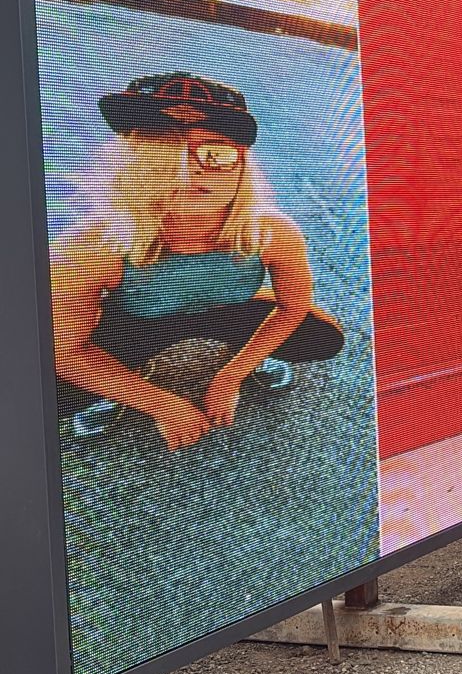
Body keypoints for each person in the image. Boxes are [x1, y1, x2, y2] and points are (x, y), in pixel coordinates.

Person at [51, 71, 344, 451]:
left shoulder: (274, 232)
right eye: (159, 151)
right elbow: (67, 352)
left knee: (320, 337)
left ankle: (245, 357)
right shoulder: (90, 246)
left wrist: (230, 377)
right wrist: (161, 404)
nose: (188, 170)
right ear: (127, 165)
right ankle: (121, 382)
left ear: (242, 166)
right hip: (136, 323)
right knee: (55, 391)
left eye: (216, 153)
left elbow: (292, 308)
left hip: (229, 312)